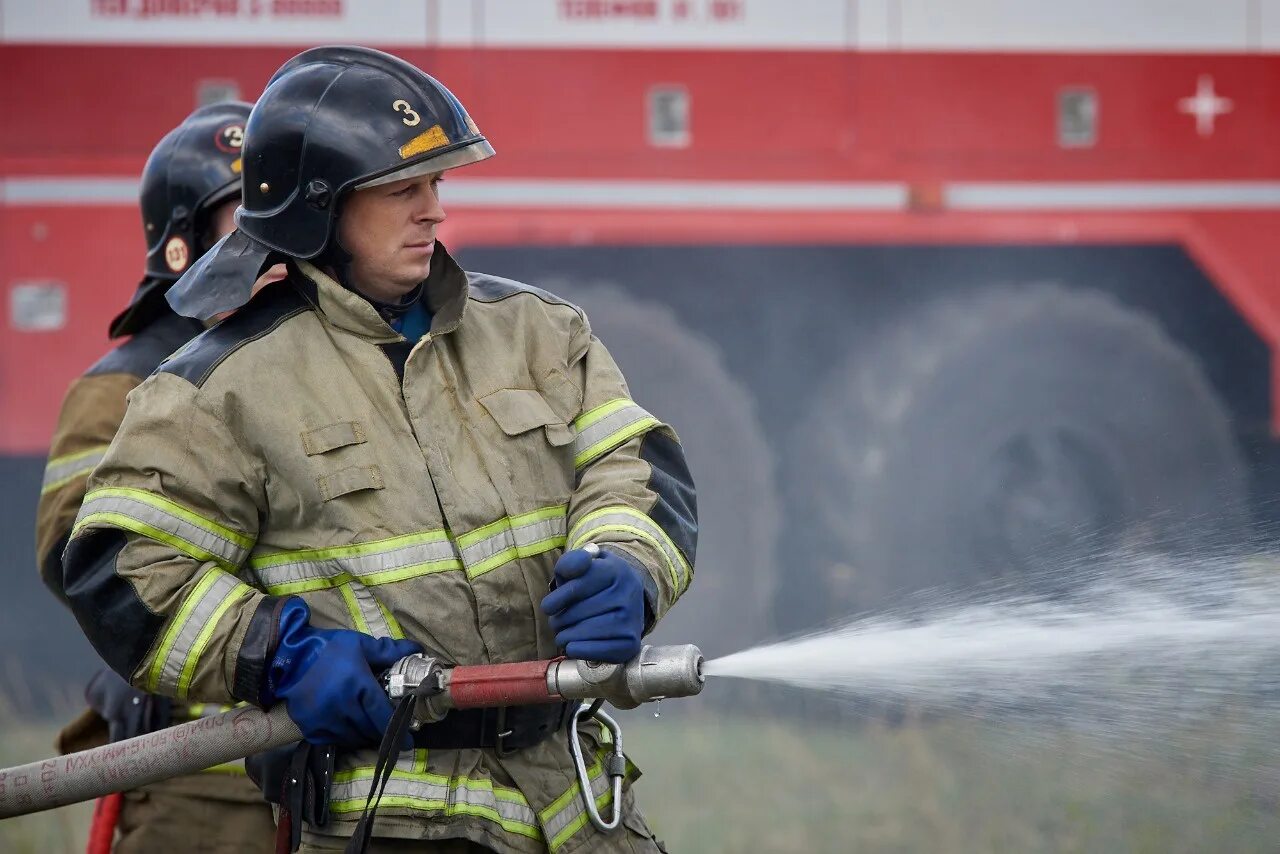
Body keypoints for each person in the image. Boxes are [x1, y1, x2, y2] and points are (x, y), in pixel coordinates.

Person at [63, 46, 696, 854]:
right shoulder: (218, 387)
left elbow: (638, 467)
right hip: (390, 819)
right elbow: (121, 569)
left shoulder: (539, 331)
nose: (434, 210)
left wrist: (627, 566)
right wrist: (277, 654)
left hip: (575, 811)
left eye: (437, 184)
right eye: (404, 190)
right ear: (317, 213)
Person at [35, 102, 278, 852]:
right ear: (182, 245)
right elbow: (76, 555)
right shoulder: (124, 385)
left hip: (333, 768)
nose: (271, 235)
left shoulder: (310, 361)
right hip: (198, 780)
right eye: (246, 214)